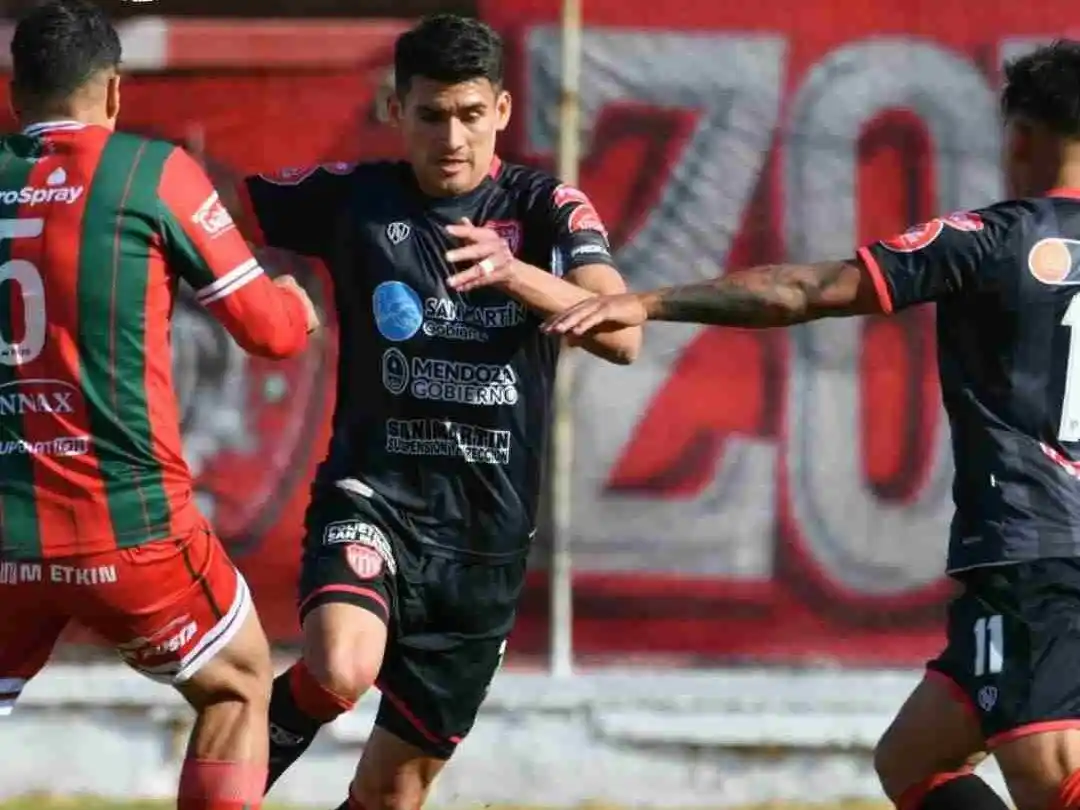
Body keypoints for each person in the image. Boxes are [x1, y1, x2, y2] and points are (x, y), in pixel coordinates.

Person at [544, 38, 1080, 810]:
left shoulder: (993, 240)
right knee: (913, 762)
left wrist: (651, 302)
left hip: (1035, 557)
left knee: (1049, 778)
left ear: (1020, 138)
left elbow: (805, 290)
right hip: (1046, 564)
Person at [224, 13, 641, 810]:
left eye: (471, 114)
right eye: (431, 114)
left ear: (504, 113)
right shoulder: (356, 199)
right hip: (375, 499)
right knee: (340, 667)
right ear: (396, 110)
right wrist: (259, 295)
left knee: (392, 792)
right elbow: (198, 219)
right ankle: (220, 791)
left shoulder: (547, 206)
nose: (452, 137)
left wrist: (515, 275)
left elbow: (623, 333)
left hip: (485, 545)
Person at [0, 3, 320, 810]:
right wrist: (295, 304)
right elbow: (271, 335)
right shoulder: (153, 174)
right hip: (129, 531)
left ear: (15, 94)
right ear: (113, 92)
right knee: (240, 684)